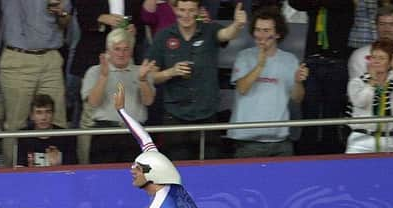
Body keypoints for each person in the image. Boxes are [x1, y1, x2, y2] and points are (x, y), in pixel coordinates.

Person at [146, 0, 247, 160]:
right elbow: (151, 76)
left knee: (211, 169)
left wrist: (237, 24)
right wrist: (171, 72)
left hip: (207, 113)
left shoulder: (210, 30)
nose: (186, 15)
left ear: (198, 11)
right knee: (179, 170)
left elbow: (226, 34)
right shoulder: (163, 36)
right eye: (182, 10)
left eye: (191, 10)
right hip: (175, 115)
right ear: (175, 10)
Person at [227, 6, 308, 157]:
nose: (261, 35)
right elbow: (242, 88)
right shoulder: (244, 56)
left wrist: (298, 82)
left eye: (266, 30)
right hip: (247, 142)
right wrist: (260, 65)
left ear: (277, 33)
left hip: (281, 141)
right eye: (258, 30)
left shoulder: (290, 60)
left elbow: (297, 98)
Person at [0, 0, 72, 167]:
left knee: (58, 121)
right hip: (18, 57)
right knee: (16, 126)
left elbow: (65, 22)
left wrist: (61, 13)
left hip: (51, 58)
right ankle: (13, 178)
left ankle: (62, 177)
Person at [288, 0, 354, 155]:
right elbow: (296, 3)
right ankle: (307, 155)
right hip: (312, 60)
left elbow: (337, 4)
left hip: (336, 62)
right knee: (309, 114)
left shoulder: (347, 4)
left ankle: (330, 156)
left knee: (331, 115)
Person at [82, 28, 155, 163]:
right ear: (108, 51)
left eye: (126, 49)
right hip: (105, 133)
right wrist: (103, 77)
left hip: (135, 133)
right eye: (117, 49)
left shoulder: (141, 71)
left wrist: (143, 80)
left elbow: (148, 101)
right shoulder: (94, 71)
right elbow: (93, 102)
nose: (122, 54)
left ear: (132, 51)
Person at [348, 4, 393, 115]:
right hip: (364, 120)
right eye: (382, 24)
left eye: (391, 24)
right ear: (376, 26)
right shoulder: (358, 56)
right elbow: (357, 97)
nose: (387, 29)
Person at [346, 38, 393, 154]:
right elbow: (360, 101)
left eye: (382, 58)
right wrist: (372, 81)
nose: (376, 61)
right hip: (361, 141)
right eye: (373, 57)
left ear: (391, 62)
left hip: (389, 141)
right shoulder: (357, 82)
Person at [17, 94, 77, 167]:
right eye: (39, 112)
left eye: (48, 112)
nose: (44, 117)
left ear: (53, 114)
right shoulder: (23, 136)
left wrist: (58, 163)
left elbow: (72, 171)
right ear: (32, 116)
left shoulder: (66, 136)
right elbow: (20, 169)